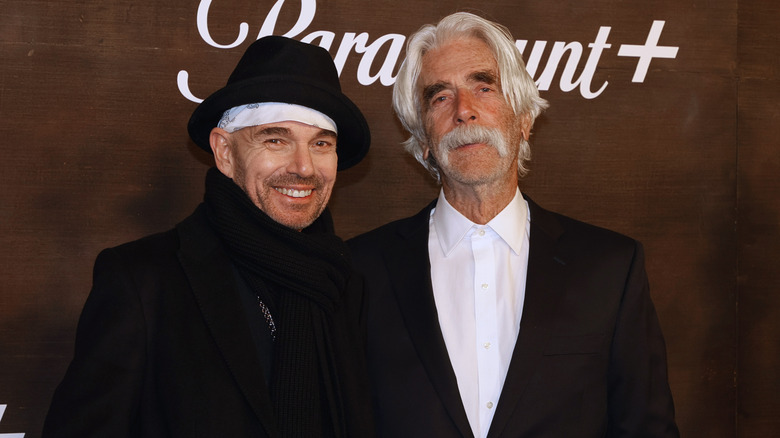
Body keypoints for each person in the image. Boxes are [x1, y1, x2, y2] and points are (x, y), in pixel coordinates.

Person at [347, 12, 679, 438]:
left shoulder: (611, 268)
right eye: (440, 97)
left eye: (483, 88)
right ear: (424, 140)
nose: (464, 111)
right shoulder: (360, 269)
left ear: (524, 120)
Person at [43, 36, 373, 437]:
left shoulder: (346, 285)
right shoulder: (142, 281)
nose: (303, 167)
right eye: (276, 139)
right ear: (225, 152)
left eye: (321, 143)